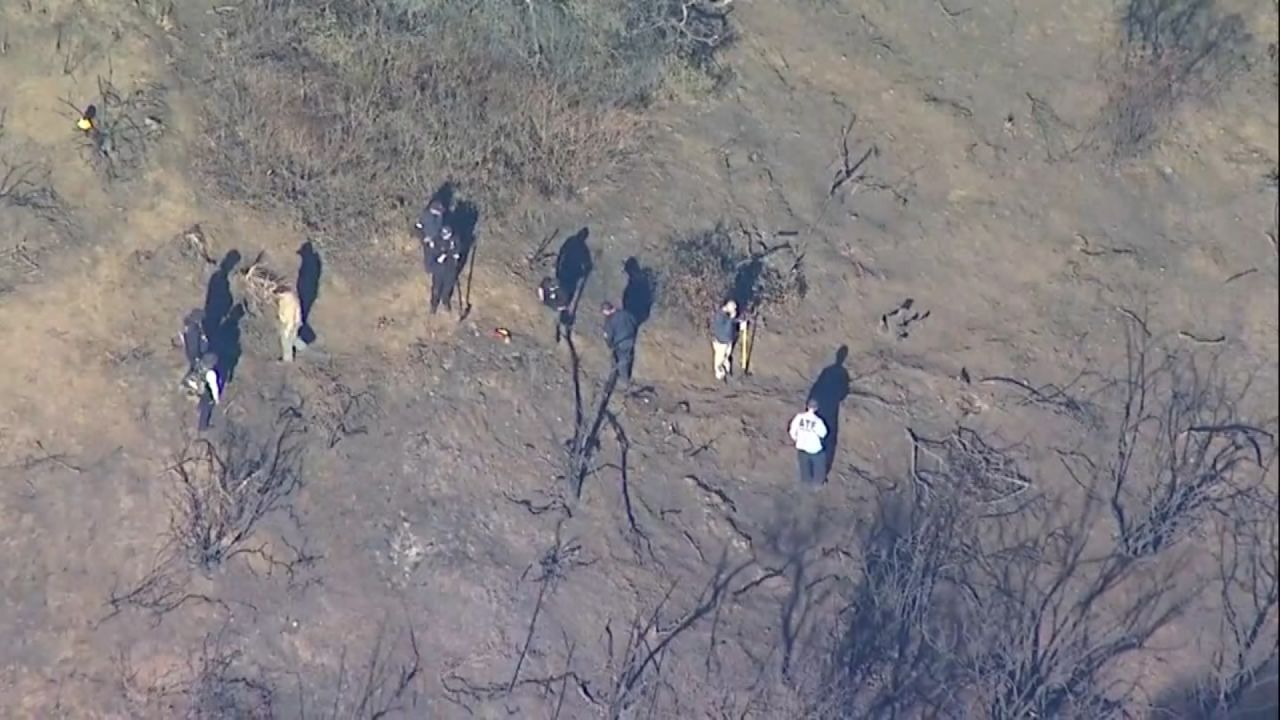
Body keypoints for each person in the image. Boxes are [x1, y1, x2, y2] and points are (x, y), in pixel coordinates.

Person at [789, 398, 829, 486]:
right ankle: (817, 483)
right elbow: (823, 434)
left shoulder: (799, 417)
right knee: (819, 467)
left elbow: (792, 431)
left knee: (804, 466)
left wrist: (797, 439)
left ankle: (806, 481)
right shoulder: (818, 421)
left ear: (807, 406)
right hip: (815, 449)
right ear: (816, 408)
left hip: (801, 447)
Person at [425, 225, 462, 314]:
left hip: (450, 268)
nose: (445, 236)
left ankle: (445, 301)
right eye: (443, 234)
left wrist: (453, 254)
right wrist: (439, 258)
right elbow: (432, 253)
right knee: (436, 289)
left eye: (447, 235)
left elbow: (458, 249)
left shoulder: (455, 239)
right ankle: (433, 306)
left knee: (447, 288)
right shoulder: (437, 240)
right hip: (439, 269)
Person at [181, 351, 222, 431]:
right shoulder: (211, 373)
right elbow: (214, 388)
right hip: (201, 389)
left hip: (192, 384)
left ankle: (198, 407)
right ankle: (202, 427)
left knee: (201, 398)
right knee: (207, 406)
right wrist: (216, 399)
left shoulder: (198, 363)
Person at [601, 301, 638, 385]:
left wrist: (609, 344)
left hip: (620, 343)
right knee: (627, 358)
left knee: (622, 362)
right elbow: (634, 322)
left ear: (607, 310)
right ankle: (625, 376)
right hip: (630, 339)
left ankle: (625, 382)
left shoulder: (609, 321)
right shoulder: (626, 313)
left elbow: (608, 336)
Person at [709, 299, 739, 382]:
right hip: (721, 343)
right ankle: (719, 374)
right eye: (734, 308)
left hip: (725, 341)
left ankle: (727, 369)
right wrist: (732, 318)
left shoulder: (723, 315)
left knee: (726, 355)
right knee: (719, 359)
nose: (735, 309)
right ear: (728, 307)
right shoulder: (720, 317)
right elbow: (727, 330)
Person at [538, 276, 572, 342]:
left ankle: (557, 337)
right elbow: (541, 287)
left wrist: (556, 307)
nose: (550, 288)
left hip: (556, 308)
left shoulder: (563, 293)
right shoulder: (546, 283)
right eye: (550, 286)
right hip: (548, 304)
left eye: (552, 287)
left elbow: (563, 305)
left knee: (556, 321)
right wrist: (541, 297)